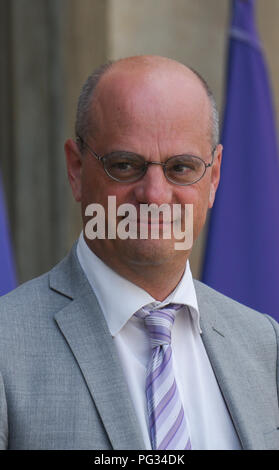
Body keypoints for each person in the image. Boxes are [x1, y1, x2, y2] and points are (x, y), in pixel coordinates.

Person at [0, 55, 278, 450]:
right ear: (76, 170)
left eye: (181, 167)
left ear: (213, 177)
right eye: (125, 165)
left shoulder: (264, 345)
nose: (154, 195)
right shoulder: (6, 346)